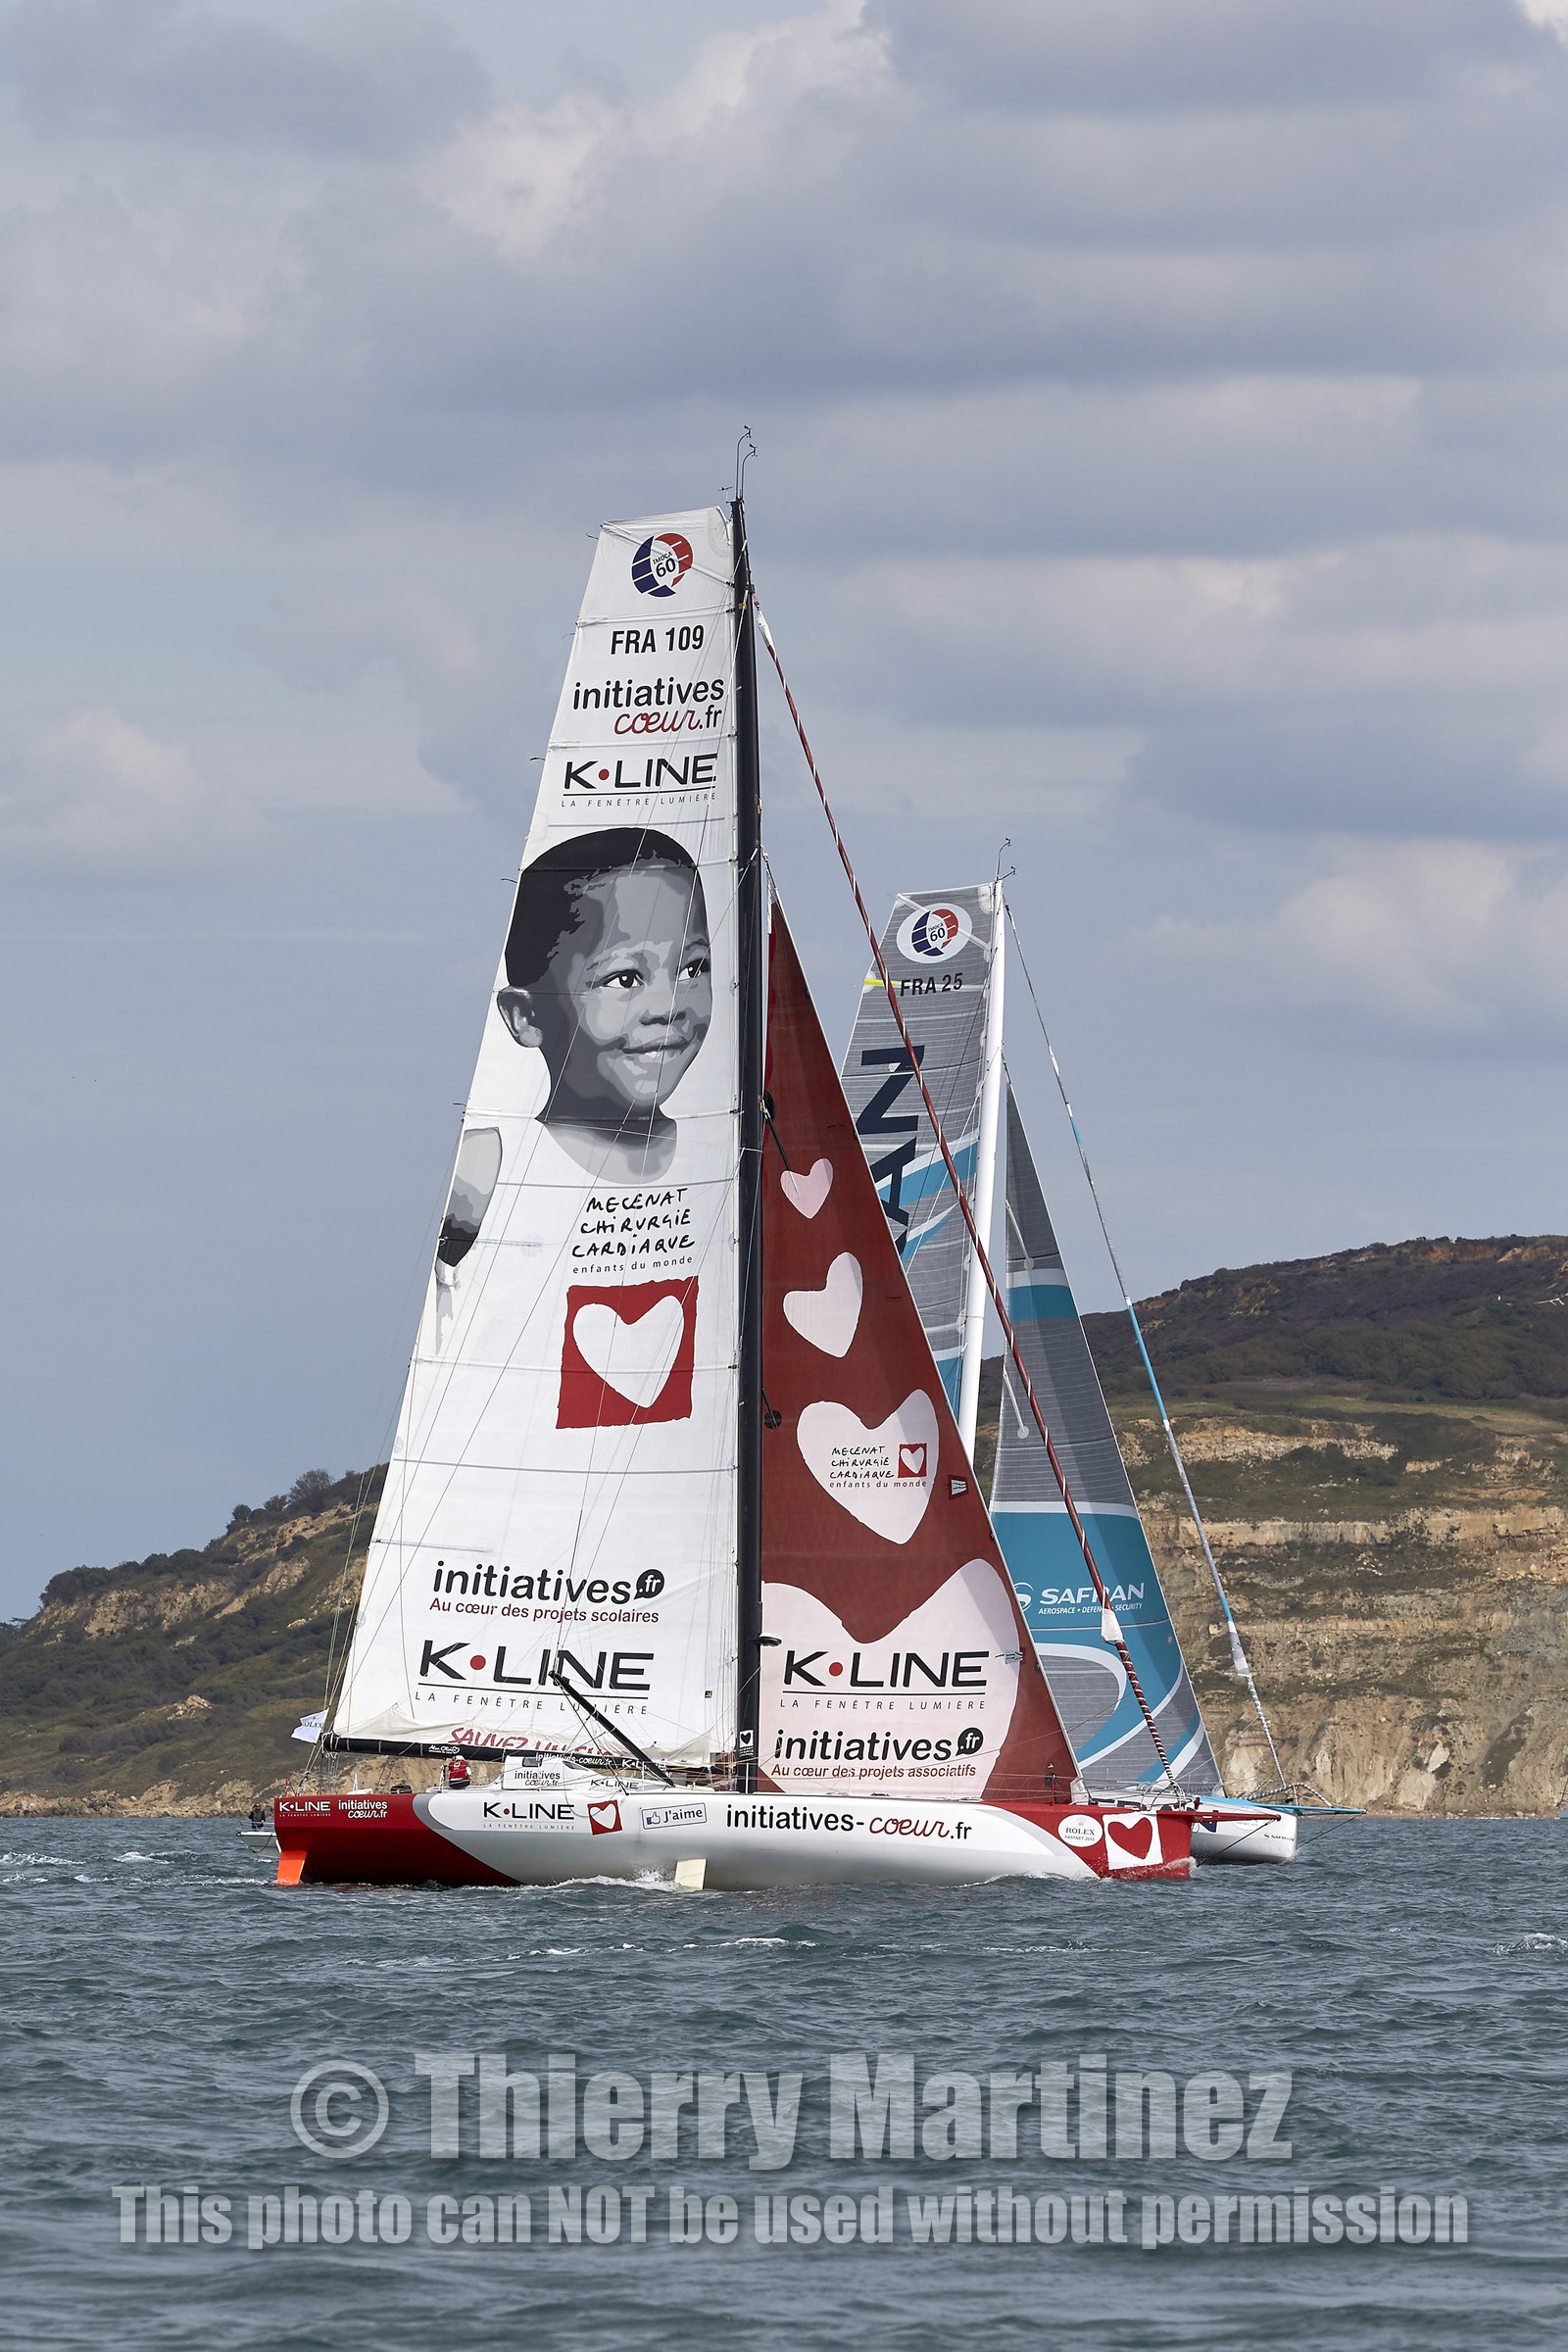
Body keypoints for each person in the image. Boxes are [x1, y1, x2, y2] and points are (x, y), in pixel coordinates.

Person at [496, 828, 711, 1181]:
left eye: (692, 968)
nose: (668, 1006)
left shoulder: (732, 1141)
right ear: (525, 1016)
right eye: (624, 979)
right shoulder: (492, 1164)